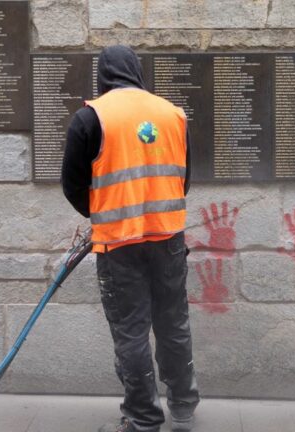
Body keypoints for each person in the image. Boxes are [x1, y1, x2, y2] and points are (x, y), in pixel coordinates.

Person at [61, 45, 200, 432]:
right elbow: (183, 180)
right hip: (168, 239)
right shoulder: (173, 115)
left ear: (104, 76)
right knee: (173, 322)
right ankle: (184, 406)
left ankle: (143, 417)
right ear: (137, 72)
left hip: (119, 245)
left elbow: (72, 184)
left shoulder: (91, 118)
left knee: (131, 330)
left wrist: (102, 213)